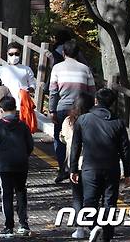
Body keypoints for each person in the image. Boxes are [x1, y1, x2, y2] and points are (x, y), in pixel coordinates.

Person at [70, 88, 130, 242]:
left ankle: (94, 226)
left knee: (89, 201)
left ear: (96, 101)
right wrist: (128, 172)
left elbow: (75, 147)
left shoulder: (83, 120)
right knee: (110, 203)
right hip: (112, 168)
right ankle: (107, 236)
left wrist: (73, 169)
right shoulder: (118, 122)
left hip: (90, 167)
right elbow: (125, 150)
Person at [49, 39, 96, 183]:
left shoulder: (57, 68)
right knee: (82, 138)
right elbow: (92, 91)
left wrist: (52, 110)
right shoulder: (85, 68)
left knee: (60, 138)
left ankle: (62, 169)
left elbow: (53, 91)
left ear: (63, 53)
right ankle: (79, 167)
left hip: (63, 107)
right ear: (77, 53)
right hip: (82, 109)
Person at [0, 96, 34, 239]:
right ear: (15, 109)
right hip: (21, 165)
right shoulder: (23, 126)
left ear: (1, 110)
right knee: (21, 193)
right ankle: (24, 225)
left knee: (6, 195)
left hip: (5, 165)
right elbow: (30, 146)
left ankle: (8, 227)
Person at [60, 92, 95, 239]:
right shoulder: (93, 121)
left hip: (73, 165)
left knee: (77, 197)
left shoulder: (69, 121)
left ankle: (79, 228)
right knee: (92, 196)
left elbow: (63, 138)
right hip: (91, 164)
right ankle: (93, 226)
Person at [0, 42, 36, 115]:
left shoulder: (26, 69)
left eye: (16, 54)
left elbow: (33, 84)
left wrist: (29, 89)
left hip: (21, 106)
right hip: (4, 107)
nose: (14, 56)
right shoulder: (0, 69)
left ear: (20, 54)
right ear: (7, 54)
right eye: (11, 54)